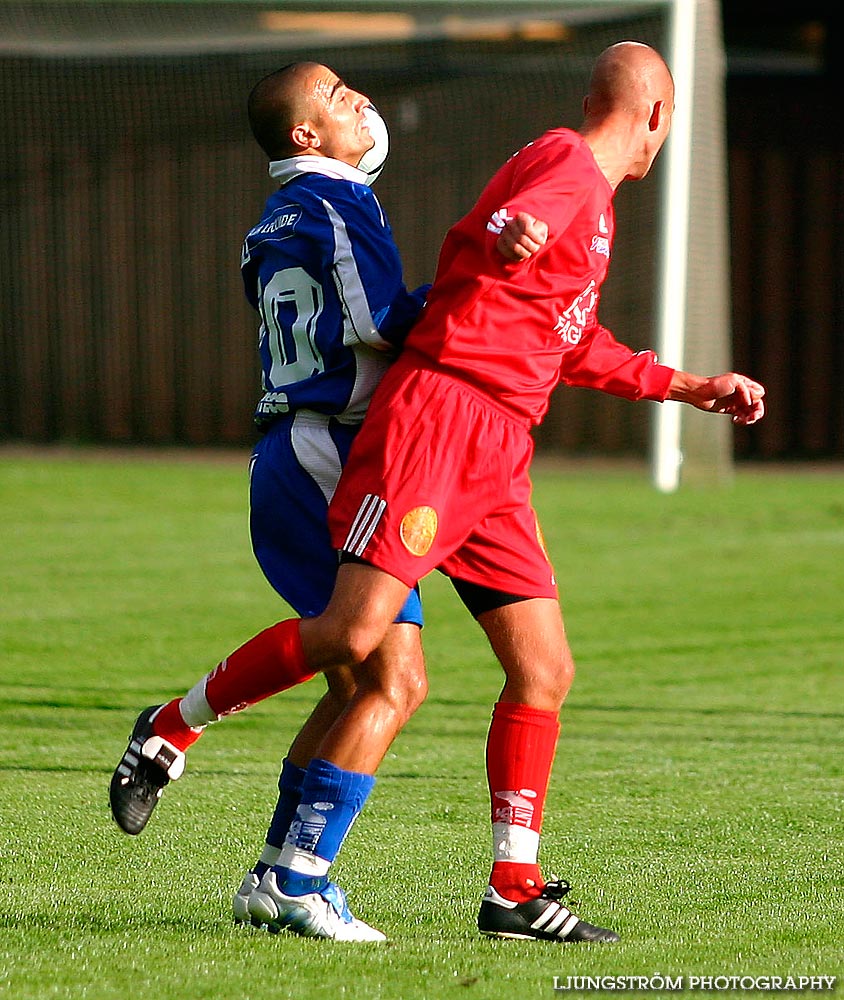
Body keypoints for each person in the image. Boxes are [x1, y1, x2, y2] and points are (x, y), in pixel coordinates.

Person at [110, 42, 765, 945]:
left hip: (500, 446)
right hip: (442, 421)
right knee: (357, 644)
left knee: (543, 671)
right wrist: (516, 232)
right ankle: (184, 741)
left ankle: (513, 890)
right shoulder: (567, 165)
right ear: (658, 116)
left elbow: (564, 339)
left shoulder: (597, 205)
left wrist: (690, 385)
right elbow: (502, 226)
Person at [109, 61, 536, 943]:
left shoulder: (279, 215)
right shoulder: (333, 204)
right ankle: (200, 762)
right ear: (305, 135)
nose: (362, 103)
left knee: (356, 684)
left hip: (302, 451)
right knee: (388, 675)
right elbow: (383, 323)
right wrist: (487, 280)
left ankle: (275, 874)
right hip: (328, 453)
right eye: (339, 97)